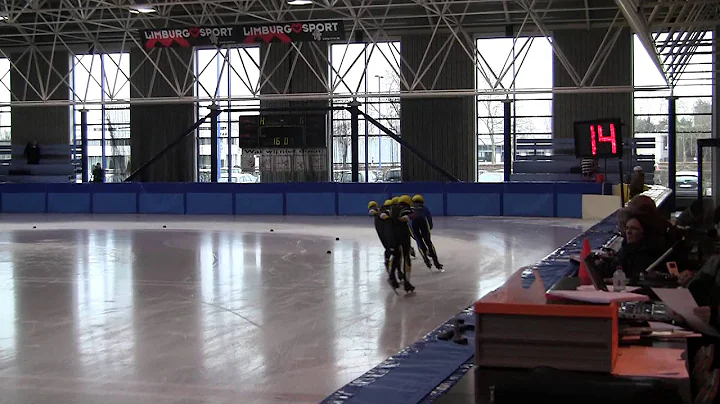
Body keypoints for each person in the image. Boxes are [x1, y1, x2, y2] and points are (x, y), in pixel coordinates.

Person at [386, 194, 415, 293]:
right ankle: (407, 283)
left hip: (391, 235)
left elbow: (383, 214)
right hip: (403, 235)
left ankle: (391, 277)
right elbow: (410, 215)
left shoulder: (392, 208)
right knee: (406, 257)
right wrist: (407, 217)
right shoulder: (406, 209)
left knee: (396, 255)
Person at [410, 194, 443, 270]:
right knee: (429, 243)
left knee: (420, 244)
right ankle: (436, 262)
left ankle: (426, 260)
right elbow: (429, 218)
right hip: (424, 227)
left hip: (415, 229)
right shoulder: (424, 208)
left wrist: (412, 233)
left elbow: (409, 223)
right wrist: (430, 227)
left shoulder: (411, 209)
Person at [369, 200, 392, 272]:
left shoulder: (380, 210)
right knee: (390, 246)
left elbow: (372, 211)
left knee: (388, 246)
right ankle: (389, 260)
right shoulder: (381, 211)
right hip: (385, 230)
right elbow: (372, 211)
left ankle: (388, 259)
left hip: (382, 230)